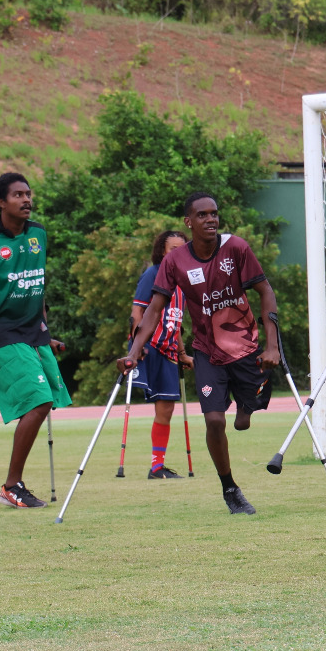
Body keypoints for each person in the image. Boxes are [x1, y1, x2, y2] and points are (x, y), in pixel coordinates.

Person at [120, 191, 280, 515]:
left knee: (247, 413)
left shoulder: (235, 247)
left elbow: (265, 291)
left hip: (245, 346)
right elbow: (153, 310)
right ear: (188, 222)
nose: (211, 219)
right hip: (207, 350)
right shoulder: (174, 261)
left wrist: (273, 345)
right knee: (214, 421)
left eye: (214, 214)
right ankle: (230, 489)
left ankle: (247, 402)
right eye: (203, 215)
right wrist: (134, 351)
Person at [0, 172, 72, 509]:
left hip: (34, 334)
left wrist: (46, 335)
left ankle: (14, 484)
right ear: (1, 202)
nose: (26, 200)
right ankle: (11, 485)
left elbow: (36, 287)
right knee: (38, 401)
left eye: (28, 193)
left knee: (48, 400)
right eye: (17, 195)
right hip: (3, 335)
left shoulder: (38, 234)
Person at [129, 229, 193, 479]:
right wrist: (137, 346)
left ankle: (157, 466)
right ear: (162, 252)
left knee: (166, 409)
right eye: (172, 249)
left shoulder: (185, 281)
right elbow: (138, 313)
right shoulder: (153, 274)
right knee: (131, 397)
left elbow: (175, 321)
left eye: (181, 248)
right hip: (148, 347)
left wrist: (183, 353)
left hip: (168, 350)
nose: (177, 253)